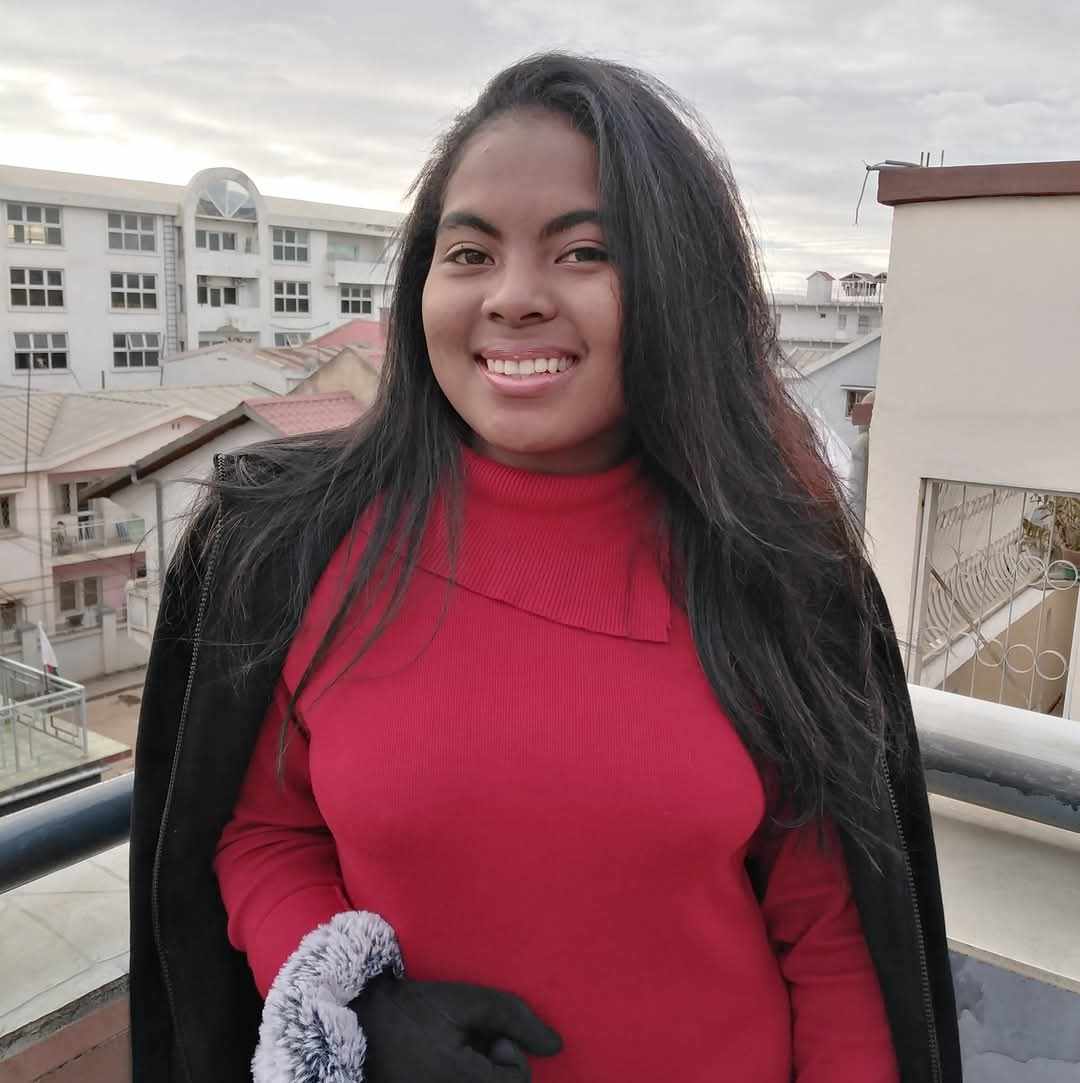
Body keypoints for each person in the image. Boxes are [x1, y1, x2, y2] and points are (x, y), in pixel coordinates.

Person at [129, 53, 961, 1082]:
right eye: (469, 253)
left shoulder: (772, 570)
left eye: (583, 253)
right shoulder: (297, 549)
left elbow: (835, 942)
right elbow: (261, 833)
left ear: (680, 286)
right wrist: (360, 1008)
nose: (514, 297)